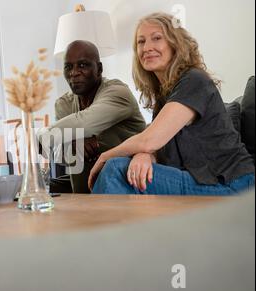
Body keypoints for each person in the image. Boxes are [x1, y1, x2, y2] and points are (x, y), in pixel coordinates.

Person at [88, 12, 255, 195]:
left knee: (116, 169)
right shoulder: (165, 97)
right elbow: (155, 145)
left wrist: (105, 156)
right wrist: (144, 154)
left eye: (157, 38)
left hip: (233, 186)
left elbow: (149, 140)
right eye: (141, 41)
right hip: (202, 180)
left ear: (175, 44)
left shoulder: (194, 80)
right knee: (128, 170)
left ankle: (94, 223)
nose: (147, 47)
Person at [38, 40, 146, 193]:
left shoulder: (118, 92)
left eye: (82, 65)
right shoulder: (64, 104)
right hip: (84, 195)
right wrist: (73, 144)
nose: (74, 72)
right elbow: (62, 154)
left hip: (131, 188)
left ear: (99, 69)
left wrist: (36, 137)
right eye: (68, 67)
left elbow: (84, 123)